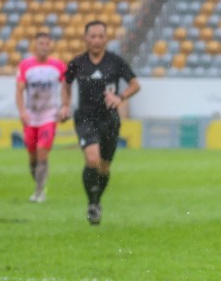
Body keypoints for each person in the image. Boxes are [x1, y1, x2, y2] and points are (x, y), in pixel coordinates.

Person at [62, 20, 141, 225]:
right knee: (92, 159)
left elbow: (135, 84)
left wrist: (120, 97)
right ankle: (92, 204)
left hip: (109, 120)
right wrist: (65, 105)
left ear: (106, 39)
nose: (96, 40)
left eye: (100, 36)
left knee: (104, 167)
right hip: (86, 118)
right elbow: (66, 83)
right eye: (92, 36)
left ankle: (96, 201)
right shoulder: (77, 63)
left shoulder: (115, 62)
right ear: (85, 38)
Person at [15, 31, 68, 203]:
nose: (44, 47)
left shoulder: (58, 66)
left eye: (47, 43)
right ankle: (39, 185)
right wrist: (22, 111)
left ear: (50, 46)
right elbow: (20, 90)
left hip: (49, 115)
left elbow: (65, 87)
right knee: (32, 157)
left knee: (42, 152)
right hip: (31, 115)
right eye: (41, 43)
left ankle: (39, 192)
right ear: (35, 45)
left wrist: (64, 107)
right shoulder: (25, 66)